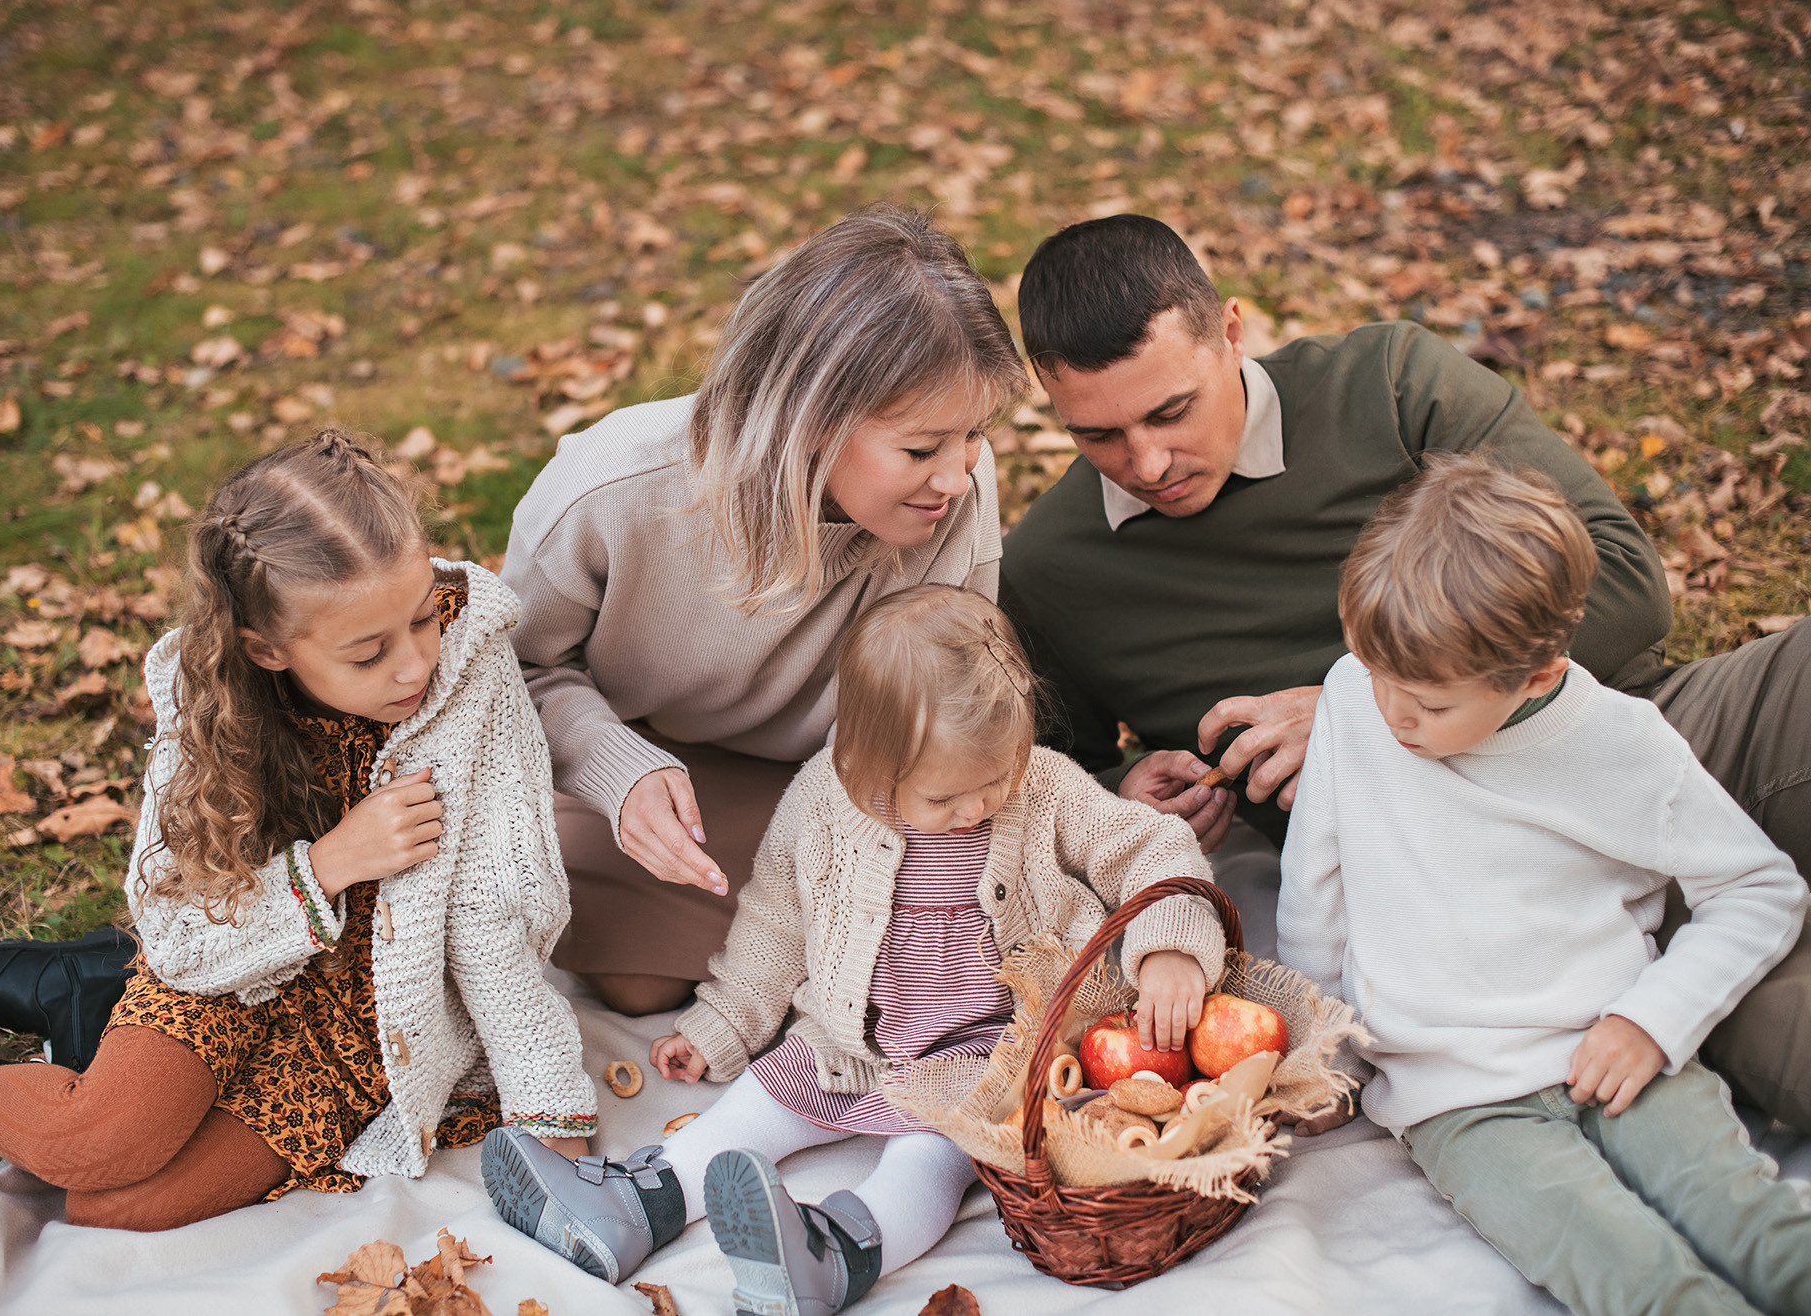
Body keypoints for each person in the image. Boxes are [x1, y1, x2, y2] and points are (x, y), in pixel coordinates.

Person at [1001, 212, 1811, 1130]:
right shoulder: (1049, 569)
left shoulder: (1387, 385)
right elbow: (1040, 787)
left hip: (1628, 737)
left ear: (1231, 332)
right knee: (1772, 1021)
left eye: (1171, 411)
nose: (1146, 462)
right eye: (1097, 436)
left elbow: (1623, 581)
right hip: (1472, 900)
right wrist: (1127, 793)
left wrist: (1353, 701)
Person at [0, 431, 600, 1226]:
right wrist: (328, 865)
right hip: (227, 960)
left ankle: (89, 988)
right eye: (367, 654)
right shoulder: (211, 696)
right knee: (93, 1143)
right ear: (266, 649)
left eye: (423, 617)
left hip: (360, 1025)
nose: (414, 665)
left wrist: (552, 1120)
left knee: (116, 1203)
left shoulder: (472, 670)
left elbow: (495, 913)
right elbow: (179, 926)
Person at [481, 585, 1226, 1314]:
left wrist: (1171, 947)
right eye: (944, 798)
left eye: (996, 779)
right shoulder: (822, 802)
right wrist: (726, 1021)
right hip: (851, 1040)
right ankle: (635, 1206)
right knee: (754, 1106)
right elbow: (775, 920)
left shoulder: (1046, 788)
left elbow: (1151, 845)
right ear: (866, 766)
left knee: (929, 1159)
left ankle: (836, 1251)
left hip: (992, 1049)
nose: (975, 807)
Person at [1276, 457, 1809, 1316]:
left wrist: (1652, 1019)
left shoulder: (1620, 743)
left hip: (1619, 1051)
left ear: (1537, 675)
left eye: (1431, 703)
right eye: (1377, 674)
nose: (1394, 713)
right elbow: (1314, 897)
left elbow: (1759, 888)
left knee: (1755, 1227)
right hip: (1459, 1098)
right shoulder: (1352, 699)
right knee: (1635, 1277)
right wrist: (1322, 1054)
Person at [503, 203, 1027, 1018]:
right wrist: (616, 768)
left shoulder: (954, 491)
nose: (958, 476)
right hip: (648, 769)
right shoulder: (612, 487)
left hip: (841, 786)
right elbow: (514, 672)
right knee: (638, 981)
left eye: (976, 435)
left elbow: (948, 702)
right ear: (812, 419)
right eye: (922, 448)